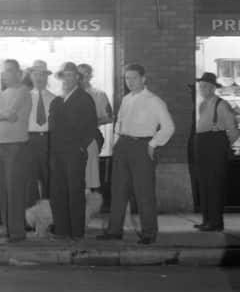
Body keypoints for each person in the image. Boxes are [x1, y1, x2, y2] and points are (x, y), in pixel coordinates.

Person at [98, 63, 175, 245]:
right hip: (123, 145)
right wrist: (118, 142)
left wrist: (153, 144)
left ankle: (149, 233)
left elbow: (169, 127)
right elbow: (120, 122)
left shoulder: (154, 101)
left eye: (133, 77)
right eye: (127, 78)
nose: (129, 81)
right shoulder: (126, 99)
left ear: (143, 78)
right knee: (118, 191)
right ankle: (114, 230)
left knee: (144, 192)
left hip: (142, 147)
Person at [47, 62, 100, 240]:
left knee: (75, 191)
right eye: (64, 76)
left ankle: (76, 231)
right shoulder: (57, 100)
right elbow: (52, 128)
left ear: (77, 77)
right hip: (57, 153)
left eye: (71, 75)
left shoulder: (84, 99)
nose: (67, 79)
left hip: (74, 152)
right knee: (58, 191)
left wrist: (80, 147)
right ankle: (62, 229)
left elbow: (91, 126)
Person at [0, 59, 32, 243]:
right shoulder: (3, 94)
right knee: (3, 188)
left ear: (19, 73)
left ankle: (18, 231)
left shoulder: (23, 91)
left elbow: (11, 115)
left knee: (15, 189)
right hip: (2, 144)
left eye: (10, 71)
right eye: (4, 72)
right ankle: (7, 227)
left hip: (17, 145)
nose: (6, 74)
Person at [193, 72, 240, 232]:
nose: (202, 89)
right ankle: (207, 220)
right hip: (203, 146)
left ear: (213, 88)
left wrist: (222, 146)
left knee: (214, 186)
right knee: (205, 185)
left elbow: (233, 130)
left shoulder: (221, 104)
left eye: (205, 86)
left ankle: (215, 222)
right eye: (201, 87)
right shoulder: (203, 105)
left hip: (215, 148)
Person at [77, 63, 112, 211]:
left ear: (91, 75)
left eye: (86, 74)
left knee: (90, 174)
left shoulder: (99, 94)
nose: (83, 78)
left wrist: (91, 122)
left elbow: (109, 117)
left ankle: (89, 208)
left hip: (91, 136)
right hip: (70, 138)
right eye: (80, 74)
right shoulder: (66, 94)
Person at [26, 60, 55, 209]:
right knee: (29, 179)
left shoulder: (55, 98)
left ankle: (49, 216)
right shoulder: (25, 97)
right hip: (29, 140)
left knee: (49, 178)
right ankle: (30, 217)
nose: (39, 78)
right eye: (36, 74)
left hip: (48, 140)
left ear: (47, 77)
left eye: (42, 74)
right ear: (31, 76)